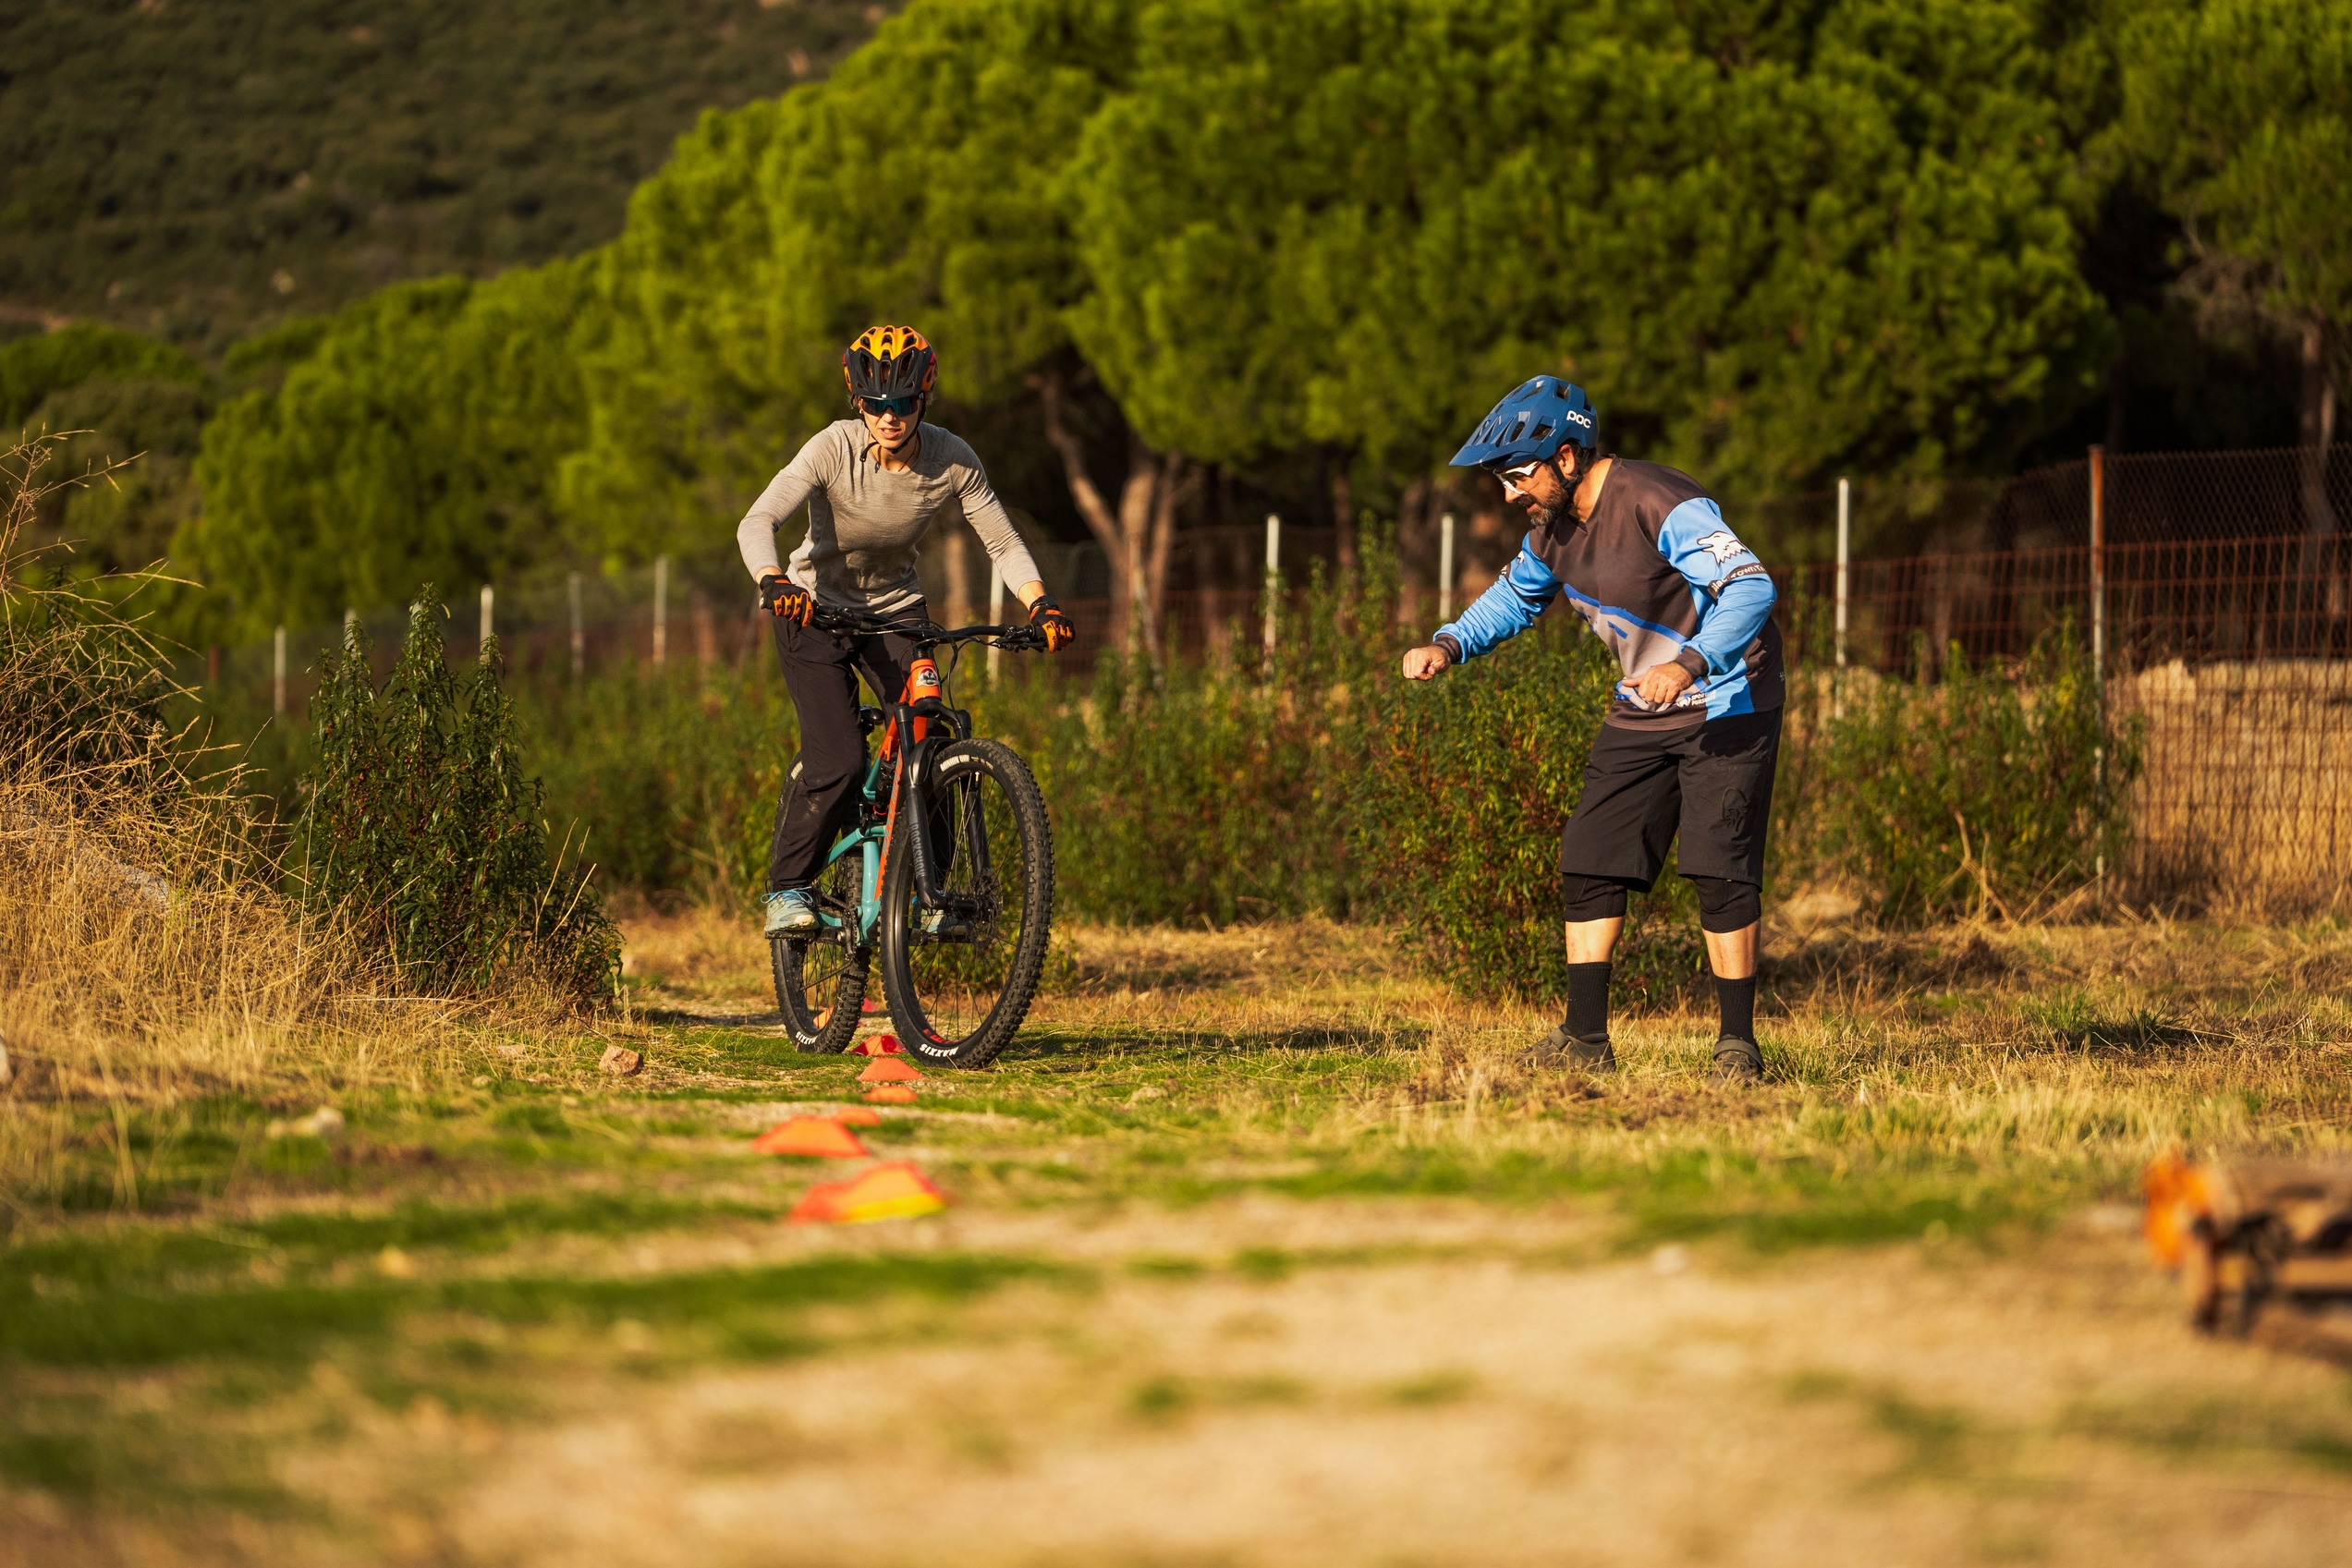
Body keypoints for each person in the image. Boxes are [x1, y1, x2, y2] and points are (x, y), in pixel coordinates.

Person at [1401, 377, 1783, 1085]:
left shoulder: (1656, 501)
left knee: (1718, 867)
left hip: (1727, 699)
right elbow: (1514, 598)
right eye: (1501, 479)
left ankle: (1737, 1046)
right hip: (1642, 707)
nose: (1509, 494)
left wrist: (1690, 661)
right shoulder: (1551, 530)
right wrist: (1448, 643)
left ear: (1568, 456)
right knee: (1589, 857)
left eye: (1517, 475)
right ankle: (1583, 1038)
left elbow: (1752, 586)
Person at [737, 324, 1076, 937]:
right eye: (875, 405)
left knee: (931, 741)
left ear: (924, 398)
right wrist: (772, 581)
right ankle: (789, 888)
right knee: (838, 759)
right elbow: (757, 519)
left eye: (902, 404)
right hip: (811, 610)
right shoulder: (831, 448)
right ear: (856, 401)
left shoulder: (952, 458)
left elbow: (1000, 540)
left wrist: (1040, 605)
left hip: (894, 608)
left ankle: (930, 893)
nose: (888, 417)